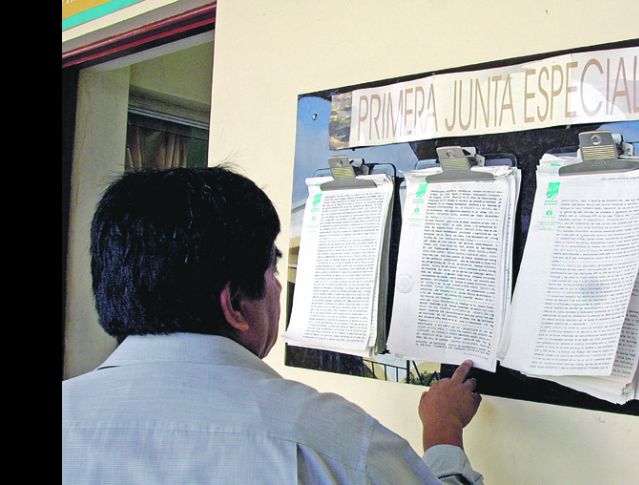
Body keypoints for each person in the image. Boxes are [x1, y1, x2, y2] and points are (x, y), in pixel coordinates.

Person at [62, 166, 484, 484]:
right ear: (235, 305)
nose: (279, 287)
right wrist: (443, 430)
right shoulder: (331, 442)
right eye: (272, 270)